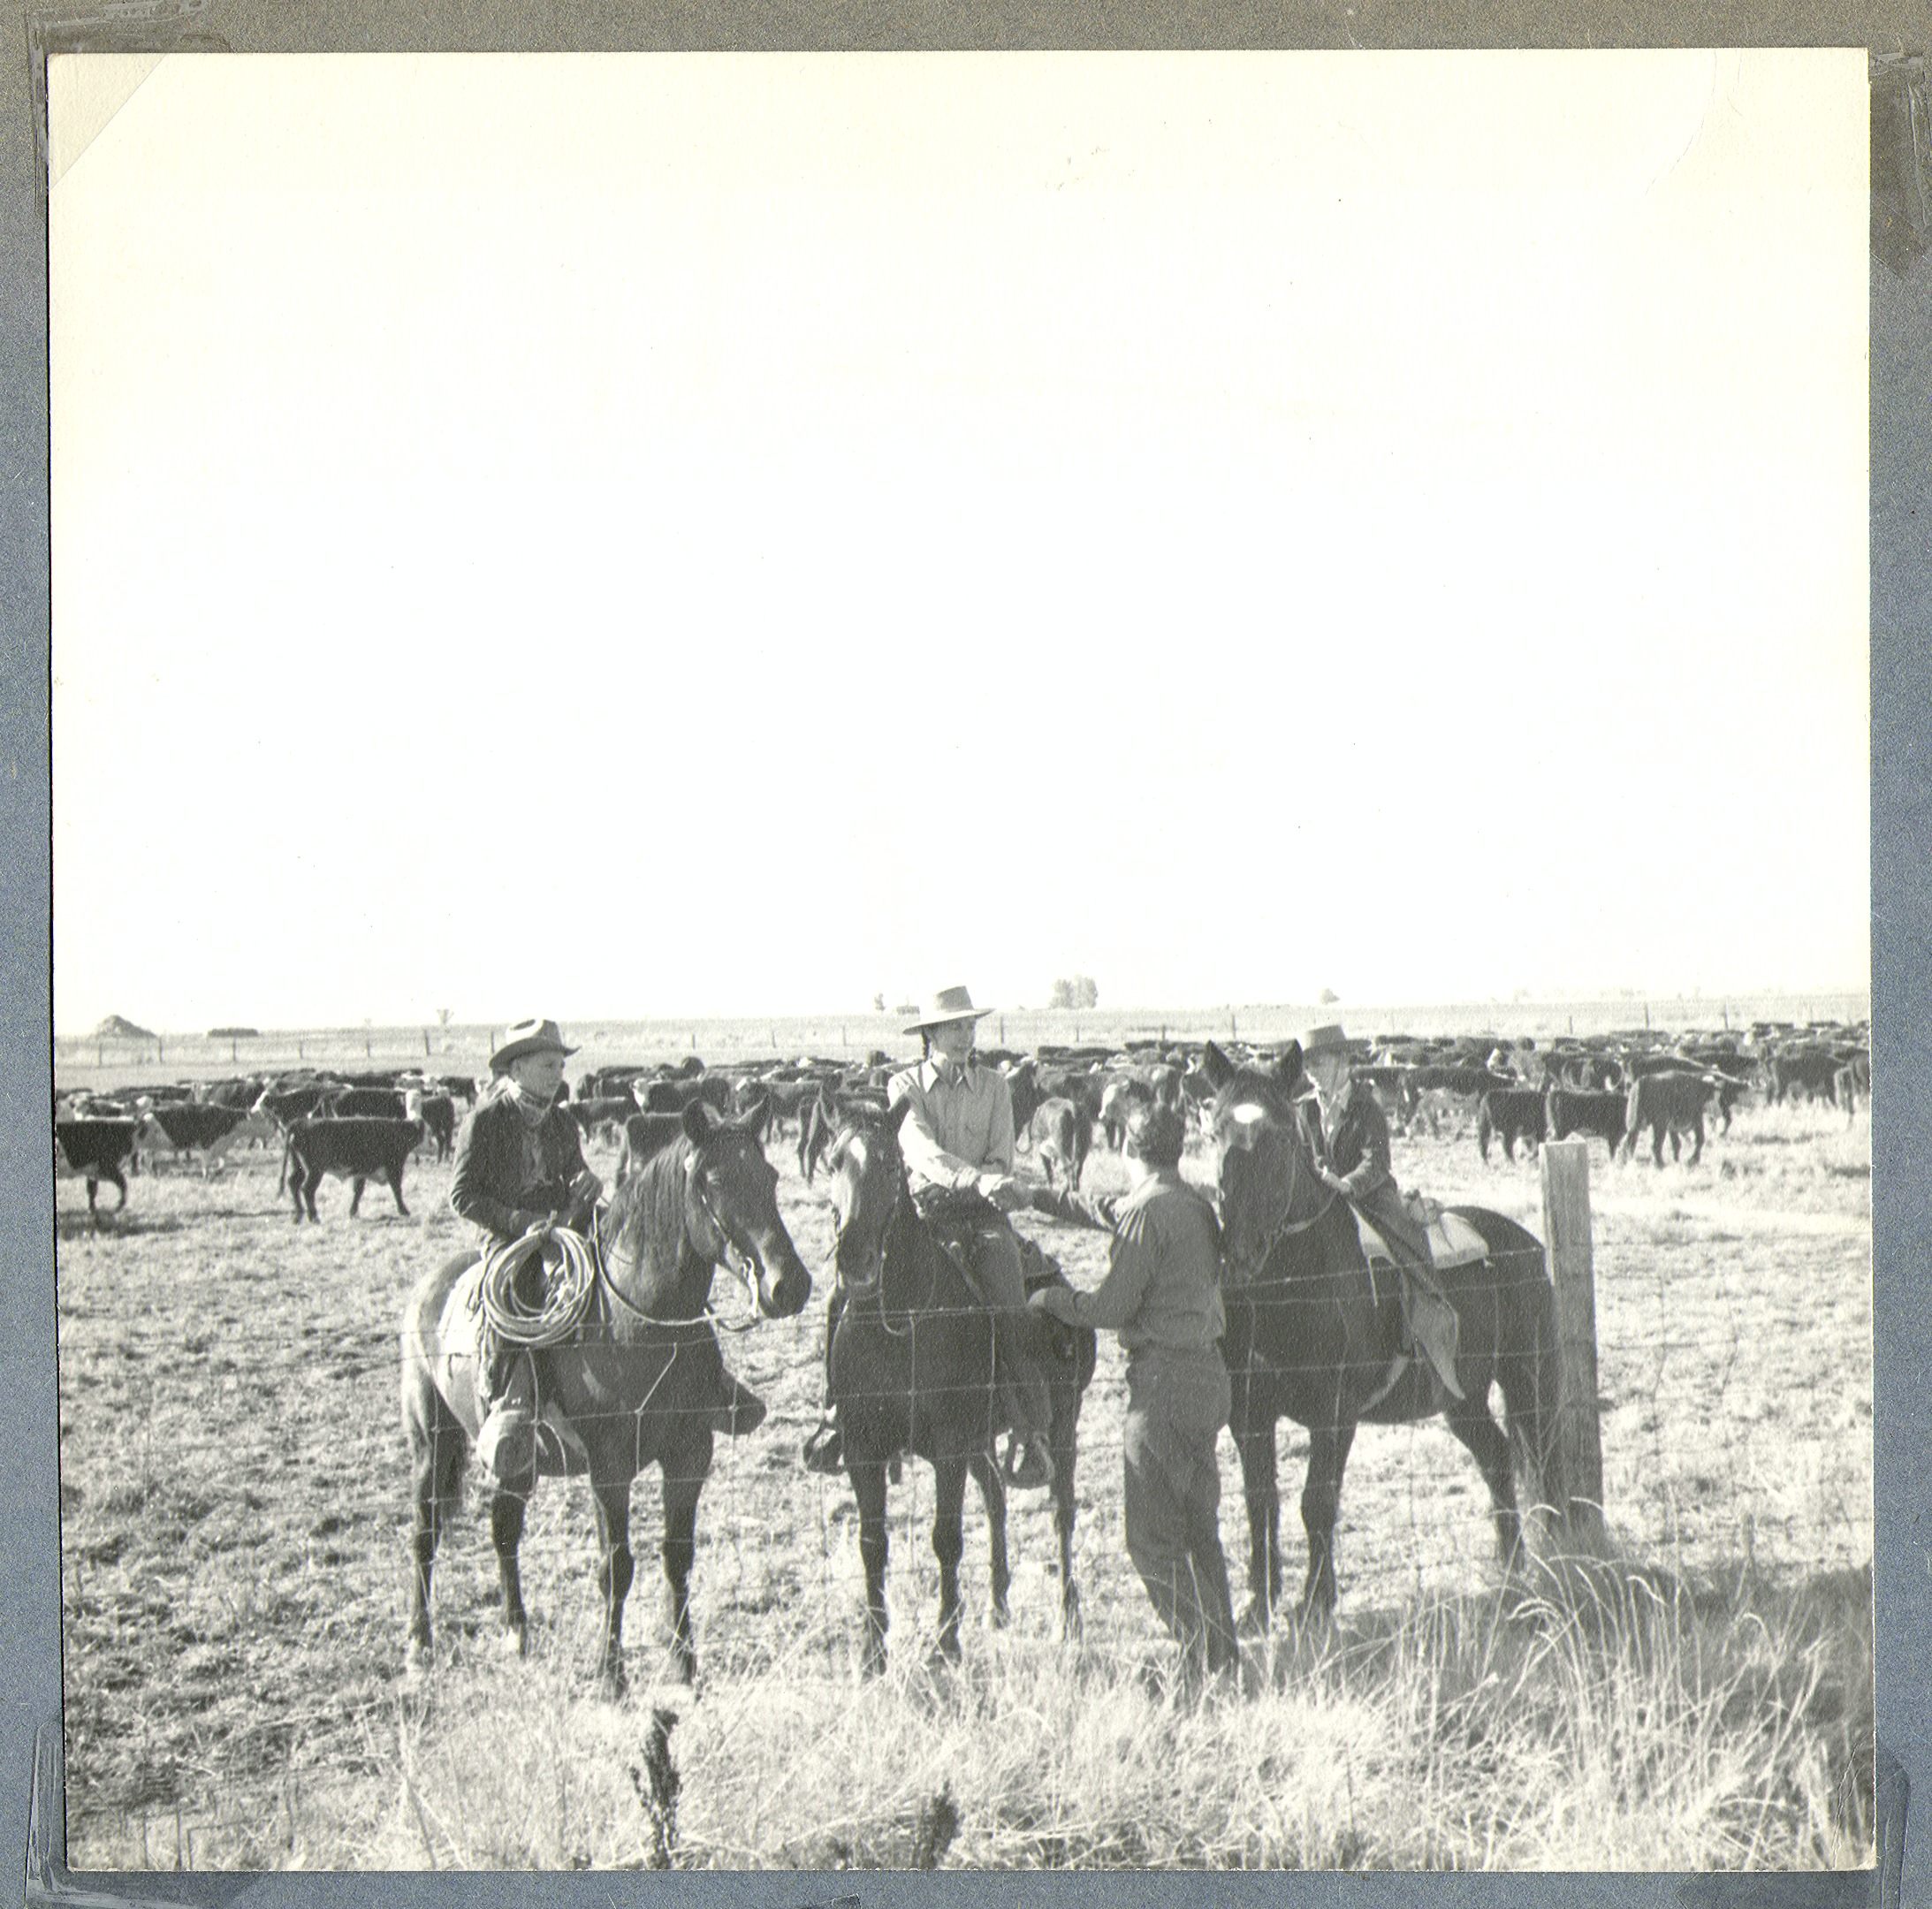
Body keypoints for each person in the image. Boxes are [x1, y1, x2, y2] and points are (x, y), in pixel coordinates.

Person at [453, 1018, 764, 1486]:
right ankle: (509, 1400)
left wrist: (585, 1185)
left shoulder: (560, 1120)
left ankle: (707, 1379)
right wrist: (519, 1222)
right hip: (511, 1237)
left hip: (568, 1227)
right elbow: (463, 1197)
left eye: (559, 1064)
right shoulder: (485, 1121)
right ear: (516, 1070)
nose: (557, 1074)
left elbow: (575, 1173)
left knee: (642, 1273)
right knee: (523, 1292)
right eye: (546, 1065)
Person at [802, 984, 1056, 1490]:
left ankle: (1027, 1430)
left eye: (970, 1026)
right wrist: (975, 1176)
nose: (966, 1035)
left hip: (983, 1217)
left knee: (1007, 1295)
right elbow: (917, 1149)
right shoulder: (905, 1086)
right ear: (931, 1035)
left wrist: (986, 1182)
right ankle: (836, 1412)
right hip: (923, 1212)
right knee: (843, 1293)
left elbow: (1003, 1158)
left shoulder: (995, 1087)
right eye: (956, 1027)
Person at [1028, 1101, 1240, 1695]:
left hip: (1162, 1387)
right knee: (1200, 1528)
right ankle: (1225, 1660)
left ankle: (1197, 1658)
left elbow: (1109, 1308)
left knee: (1149, 1539)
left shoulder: (1146, 1214)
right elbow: (1109, 1210)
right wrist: (1037, 1196)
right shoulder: (1194, 1202)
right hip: (1207, 1377)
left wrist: (1050, 1302)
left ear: (1129, 1151)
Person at [1293, 1023, 1464, 1400]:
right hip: (1322, 1201)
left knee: (1403, 1250)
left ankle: (1419, 1325)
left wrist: (1346, 1183)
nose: (1311, 1072)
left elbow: (1377, 1162)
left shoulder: (1366, 1106)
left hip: (1371, 1199)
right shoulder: (1303, 1110)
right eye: (1307, 1065)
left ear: (1341, 1062)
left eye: (1318, 1063)